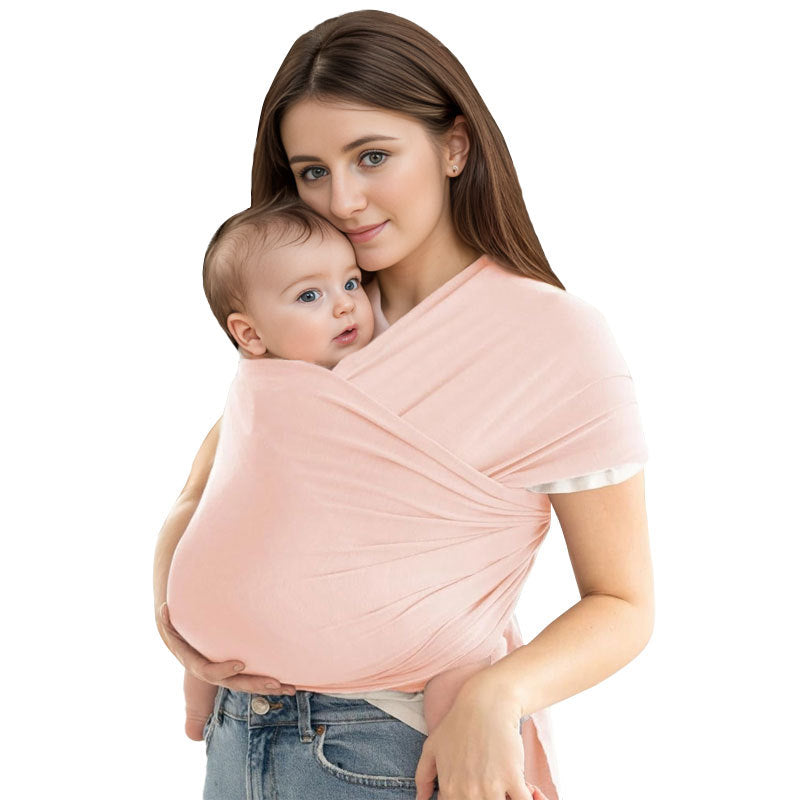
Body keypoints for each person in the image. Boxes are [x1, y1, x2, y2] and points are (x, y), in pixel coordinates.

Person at [154, 10, 653, 800]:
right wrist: (172, 602)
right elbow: (212, 484)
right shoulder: (311, 315)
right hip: (236, 732)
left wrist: (498, 694)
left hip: (393, 748)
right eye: (311, 170)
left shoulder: (556, 341)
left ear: (454, 146)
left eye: (372, 156)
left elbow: (622, 603)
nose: (342, 198)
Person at [178, 195, 376, 740]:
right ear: (250, 336)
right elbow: (204, 495)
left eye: (352, 283)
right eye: (310, 295)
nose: (344, 306)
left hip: (251, 656)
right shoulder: (265, 390)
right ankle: (196, 717)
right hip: (221, 655)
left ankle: (199, 717)